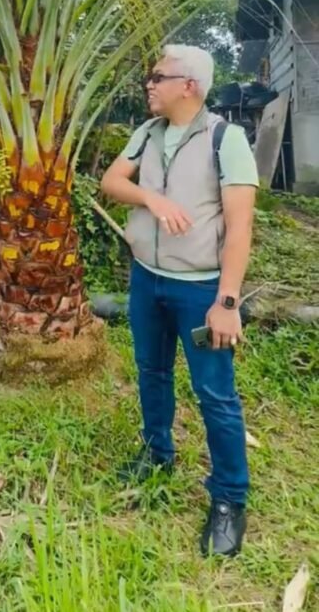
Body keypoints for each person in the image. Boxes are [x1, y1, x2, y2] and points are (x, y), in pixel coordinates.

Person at [101, 44, 258, 557]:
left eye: (158, 76)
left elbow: (239, 228)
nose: (149, 84)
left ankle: (229, 499)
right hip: (147, 280)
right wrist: (151, 197)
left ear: (188, 86)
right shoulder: (148, 133)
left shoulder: (225, 139)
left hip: (200, 289)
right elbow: (111, 182)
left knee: (215, 393)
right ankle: (157, 454)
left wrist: (226, 302)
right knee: (152, 371)